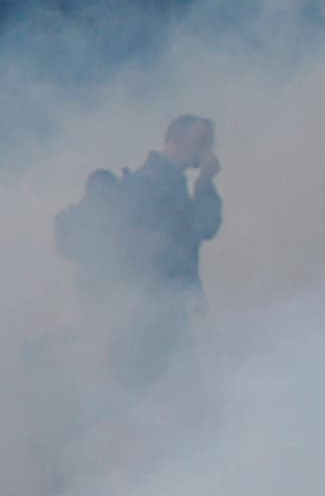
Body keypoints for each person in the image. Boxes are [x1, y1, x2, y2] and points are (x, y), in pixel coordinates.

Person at [58, 114, 223, 383]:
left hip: (148, 313)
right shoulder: (157, 182)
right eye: (202, 142)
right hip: (150, 317)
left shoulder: (161, 181)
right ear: (175, 141)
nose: (207, 151)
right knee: (168, 399)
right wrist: (205, 183)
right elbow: (205, 225)